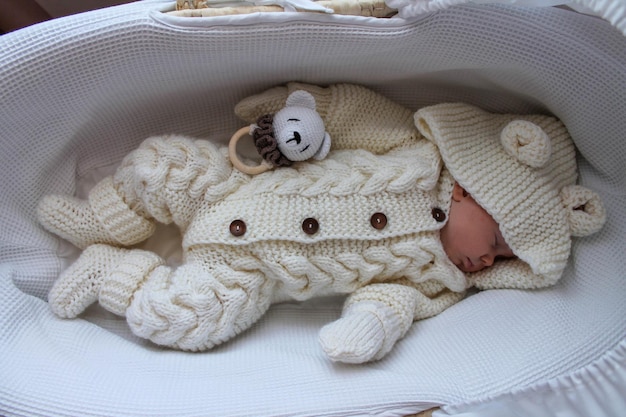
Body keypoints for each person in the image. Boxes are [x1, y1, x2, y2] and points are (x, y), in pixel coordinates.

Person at [37, 83, 605, 363]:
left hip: (251, 272)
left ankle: (113, 268)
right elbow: (360, 117)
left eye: (505, 262)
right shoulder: (417, 154)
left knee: (186, 318)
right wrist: (303, 104)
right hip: (238, 183)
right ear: (471, 189)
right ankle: (105, 219)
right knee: (160, 166)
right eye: (501, 241)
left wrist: (371, 330)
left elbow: (390, 303)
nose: (490, 261)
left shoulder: (440, 279)